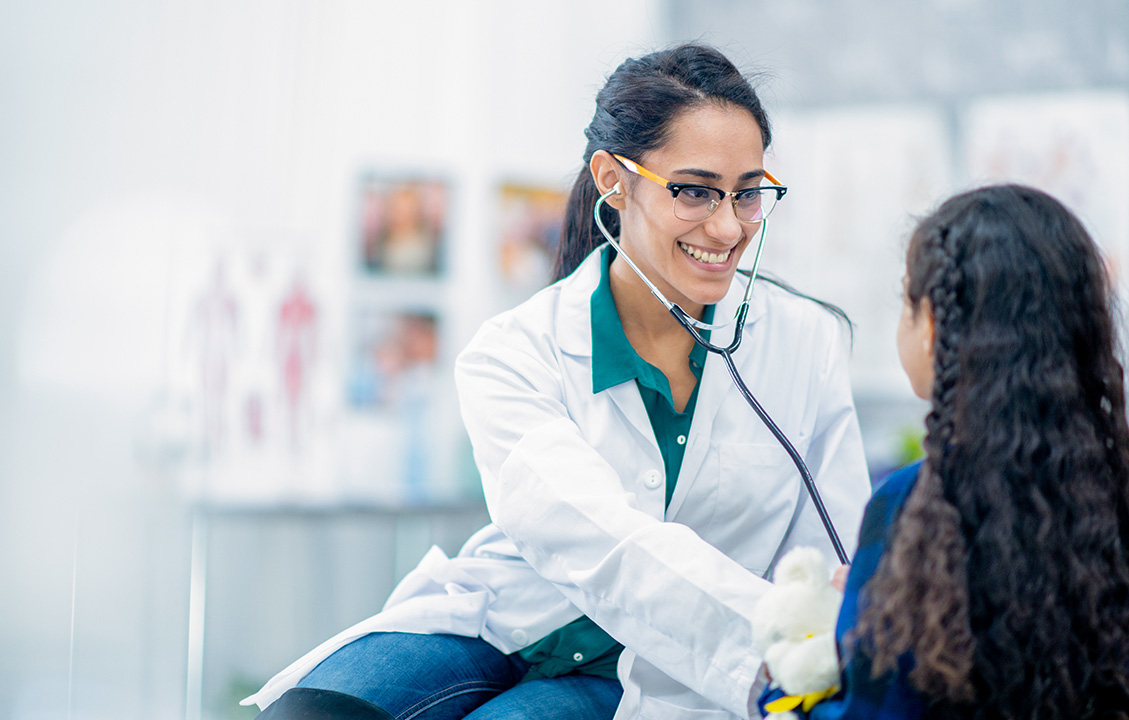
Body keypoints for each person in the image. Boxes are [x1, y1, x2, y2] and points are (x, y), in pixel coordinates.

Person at [244, 43, 871, 720]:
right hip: (514, 617)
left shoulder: (805, 343)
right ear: (611, 178)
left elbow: (837, 550)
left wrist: (804, 663)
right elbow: (588, 534)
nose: (726, 226)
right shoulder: (515, 351)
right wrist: (763, 643)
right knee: (308, 714)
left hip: (671, 668)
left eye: (746, 193)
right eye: (694, 191)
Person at [767, 184, 1129, 719]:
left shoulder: (915, 508)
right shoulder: (1113, 489)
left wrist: (790, 682)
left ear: (933, 324)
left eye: (905, 302)